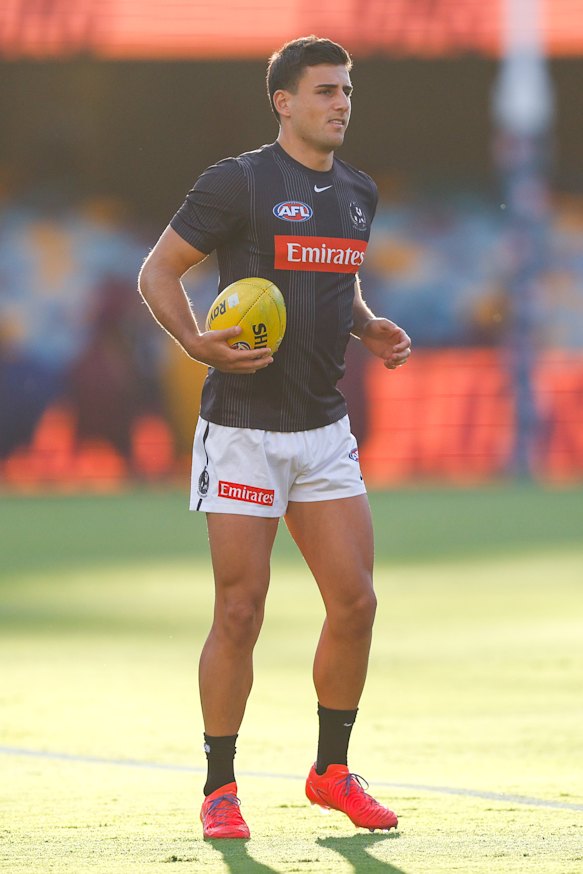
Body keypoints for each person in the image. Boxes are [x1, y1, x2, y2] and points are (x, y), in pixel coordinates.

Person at [138, 35, 411, 840]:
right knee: (240, 610)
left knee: (356, 603)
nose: (340, 104)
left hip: (322, 428)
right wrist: (194, 342)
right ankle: (220, 786)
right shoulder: (239, 181)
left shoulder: (358, 191)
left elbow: (335, 274)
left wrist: (363, 325)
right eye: (324, 91)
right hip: (245, 431)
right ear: (283, 102)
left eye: (347, 91)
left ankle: (331, 773)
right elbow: (158, 270)